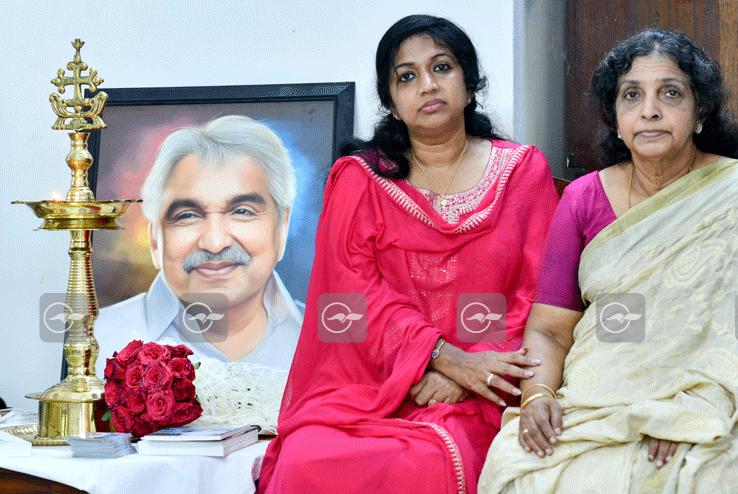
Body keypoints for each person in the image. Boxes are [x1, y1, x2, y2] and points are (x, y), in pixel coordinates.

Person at [479, 29, 738, 493]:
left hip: (716, 404)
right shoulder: (583, 198)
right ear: (615, 118)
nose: (650, 110)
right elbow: (549, 330)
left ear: (700, 113)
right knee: (518, 464)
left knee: (701, 476)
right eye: (632, 95)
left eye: (671, 93)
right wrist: (538, 397)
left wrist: (696, 408)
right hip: (598, 399)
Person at [257, 15, 558, 494]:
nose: (427, 85)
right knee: (306, 457)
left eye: (441, 67)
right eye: (407, 76)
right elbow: (352, 296)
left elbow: (538, 291)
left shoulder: (522, 171)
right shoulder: (360, 179)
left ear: (469, 85)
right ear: (392, 103)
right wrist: (439, 357)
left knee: (423, 460)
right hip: (373, 383)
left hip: (487, 385)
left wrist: (470, 372)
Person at [94, 115, 303, 376]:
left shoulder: (330, 342)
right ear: (155, 240)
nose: (214, 243)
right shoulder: (98, 340)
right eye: (187, 216)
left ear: (282, 227)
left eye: (242, 211)